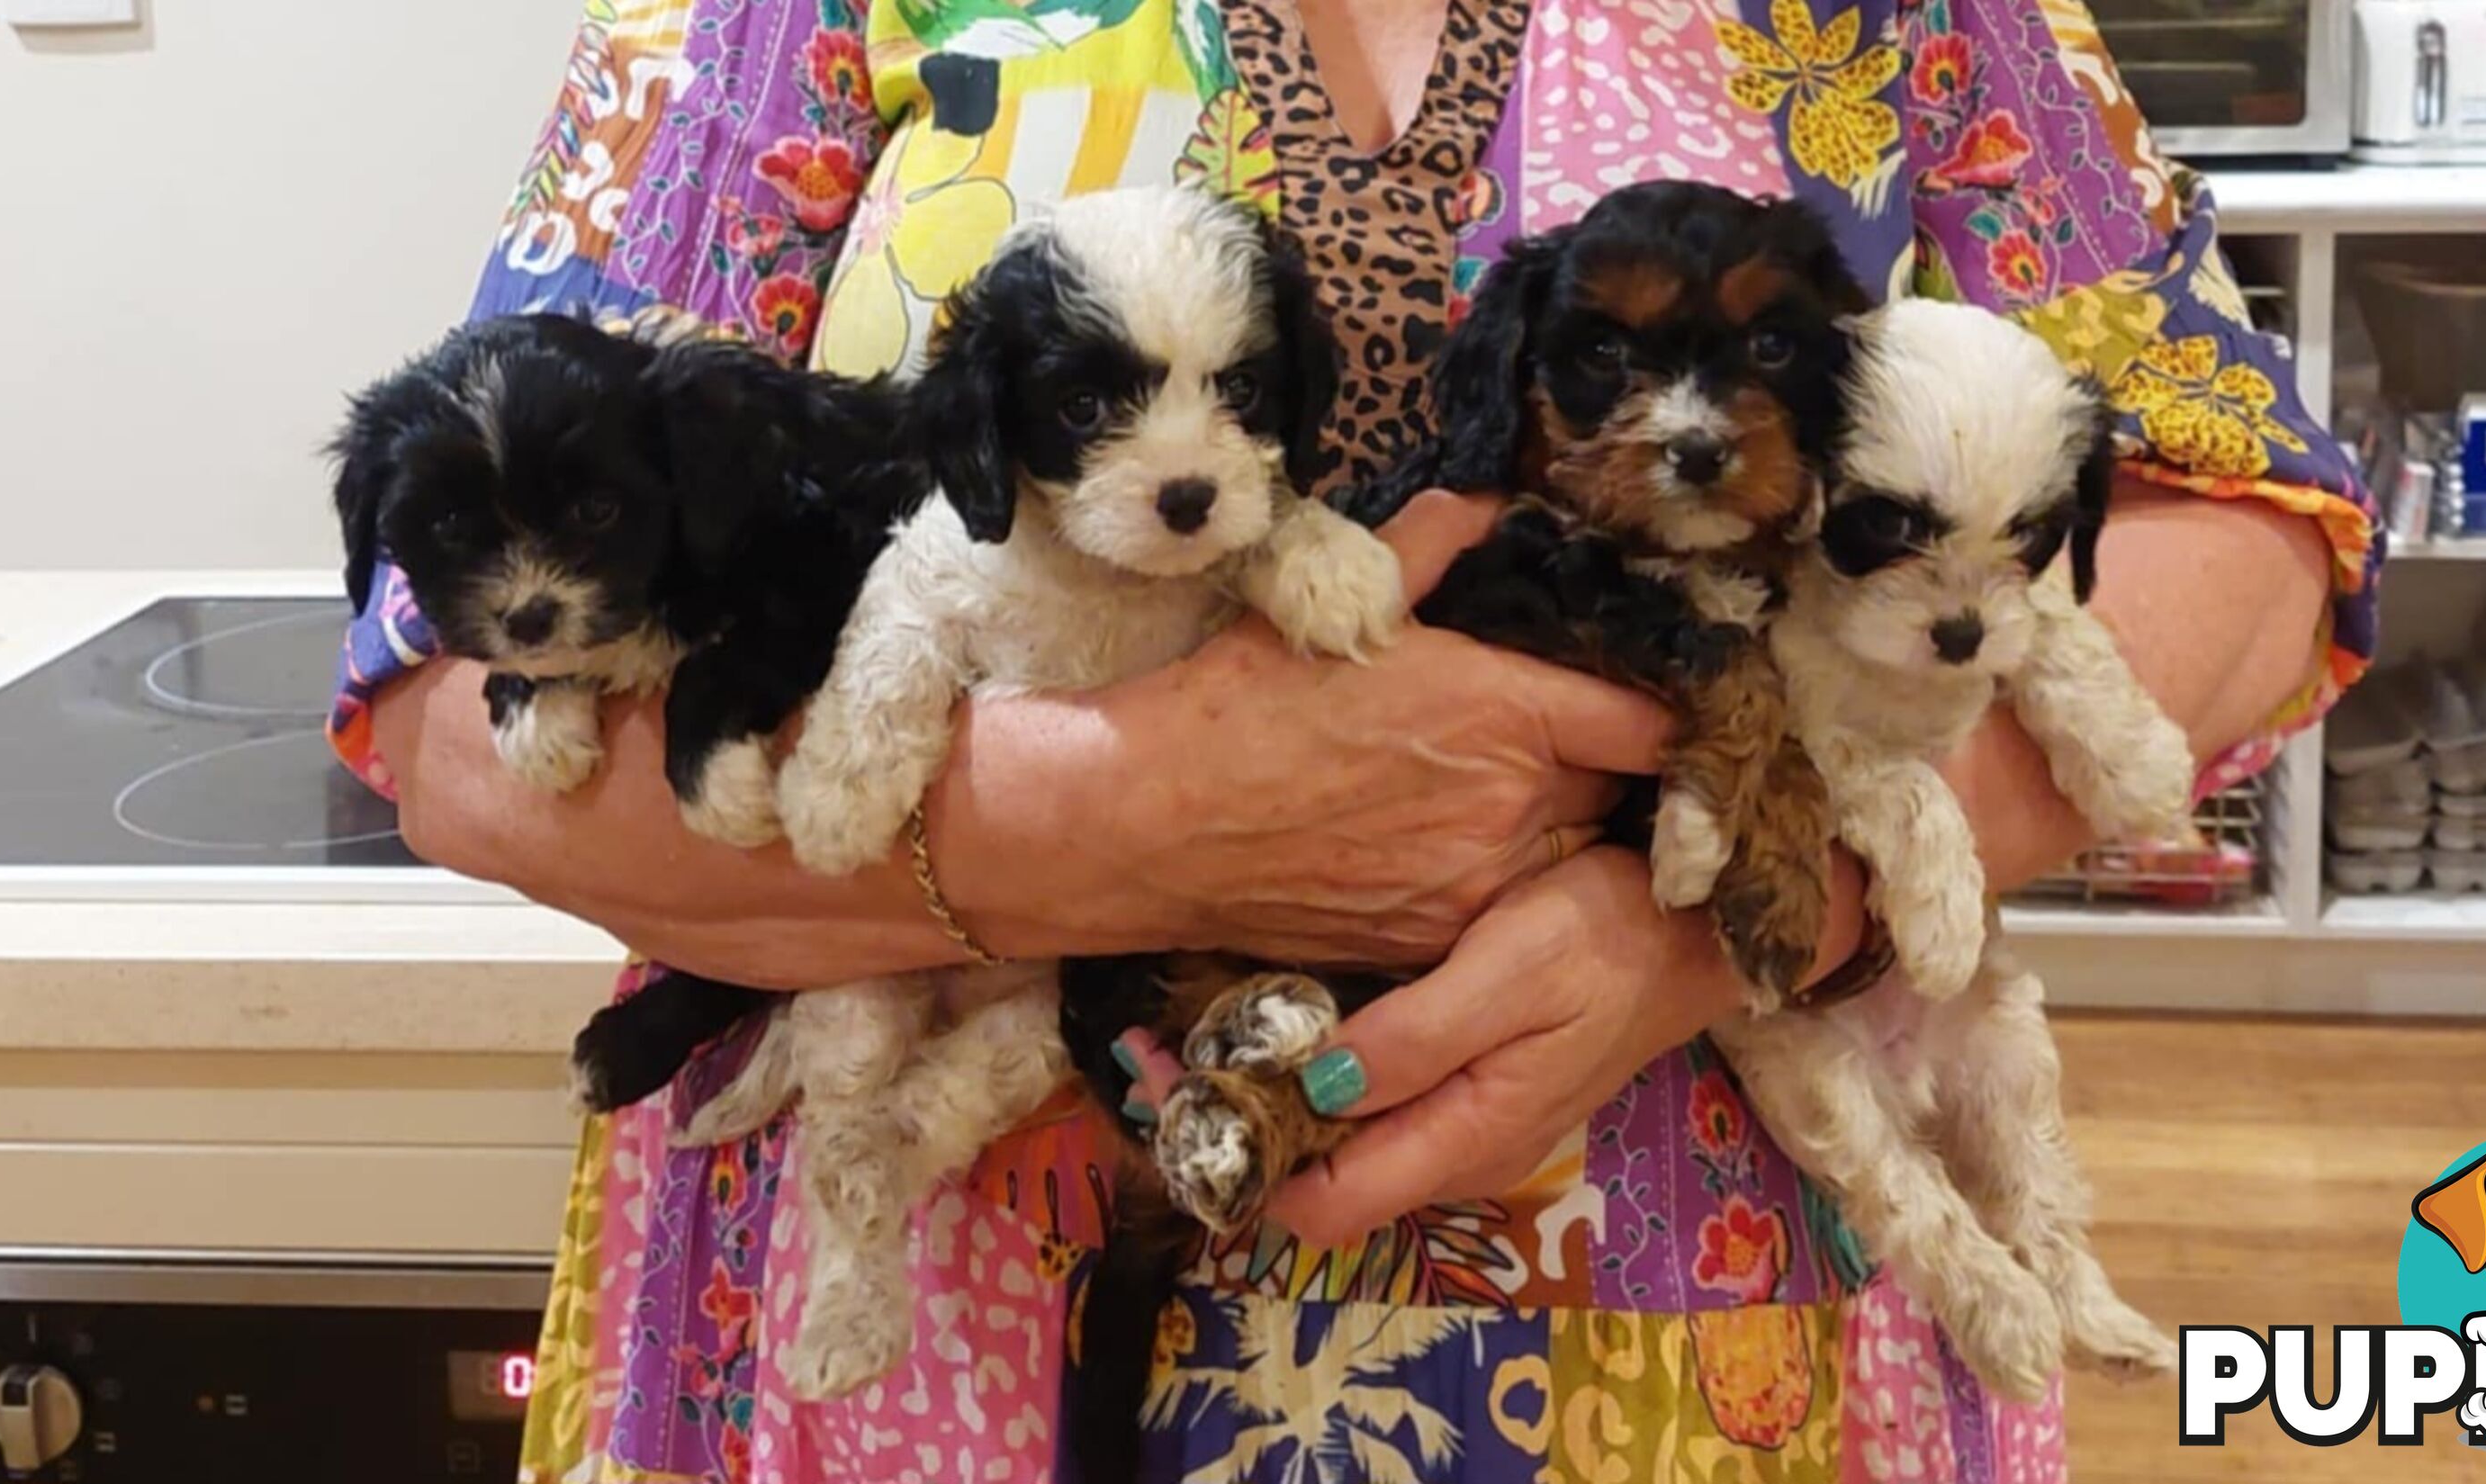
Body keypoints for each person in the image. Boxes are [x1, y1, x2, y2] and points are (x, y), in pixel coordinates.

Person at [335, 1, 2381, 1478]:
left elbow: (2256, 523)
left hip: (1715, 1312)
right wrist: (1110, 829)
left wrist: (1737, 914)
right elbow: (441, 711)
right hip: (905, 1341)